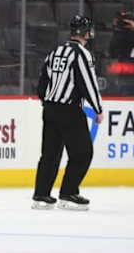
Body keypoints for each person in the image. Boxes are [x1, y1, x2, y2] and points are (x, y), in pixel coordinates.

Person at [33, 15, 103, 211]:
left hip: (50, 109)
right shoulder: (82, 53)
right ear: (87, 33)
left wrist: (46, 101)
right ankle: (68, 194)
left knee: (50, 154)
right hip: (69, 110)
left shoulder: (56, 50)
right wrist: (98, 108)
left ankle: (41, 195)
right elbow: (89, 83)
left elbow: (42, 79)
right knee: (83, 153)